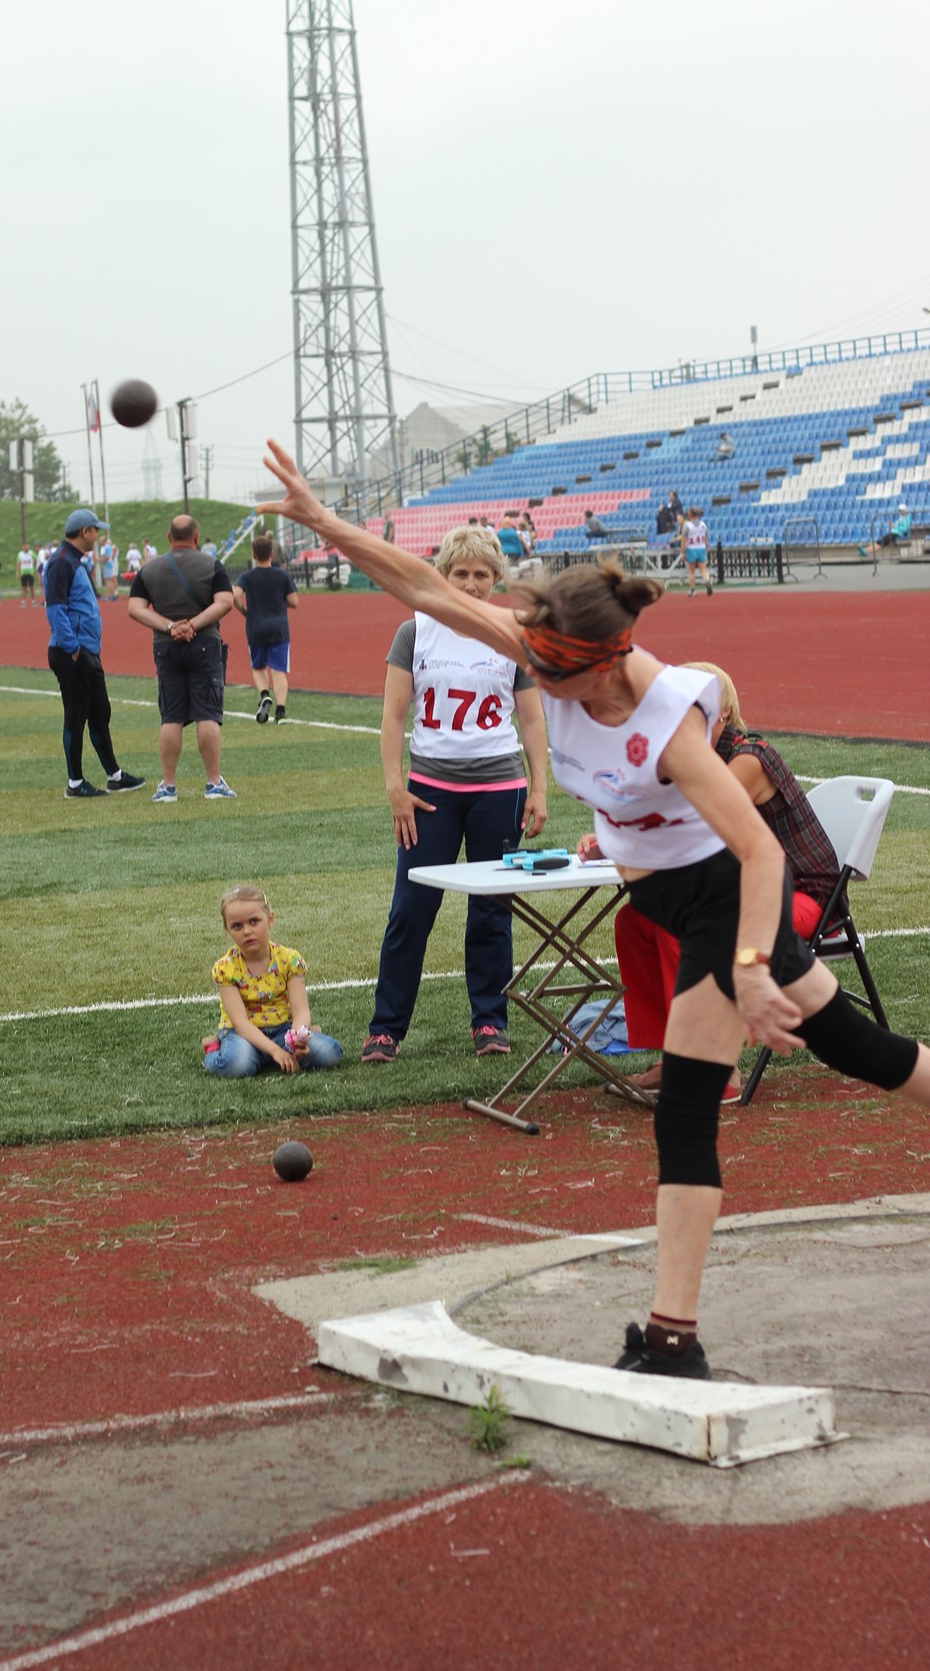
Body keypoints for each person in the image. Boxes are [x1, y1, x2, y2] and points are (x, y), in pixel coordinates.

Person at [259, 435, 930, 1379]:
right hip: (663, 897)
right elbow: (426, 589)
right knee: (857, 1047)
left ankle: (670, 1340)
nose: (536, 682)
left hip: (725, 899)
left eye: (554, 675)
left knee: (686, 1110)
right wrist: (326, 524)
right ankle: (674, 1333)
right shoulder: (547, 652)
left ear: (605, 666)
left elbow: (759, 847)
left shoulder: (671, 724)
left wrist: (746, 967)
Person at [592, 662, 842, 1103]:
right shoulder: (689, 760)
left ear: (720, 712)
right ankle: (675, 1054)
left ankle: (717, 1070)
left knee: (682, 926)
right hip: (740, 894)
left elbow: (691, 826)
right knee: (636, 920)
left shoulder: (748, 758)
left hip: (801, 898)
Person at [361, 523, 548, 1064]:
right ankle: (386, 1029)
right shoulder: (414, 632)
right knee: (411, 909)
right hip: (429, 793)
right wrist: (395, 787)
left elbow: (533, 722)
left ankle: (490, 1021)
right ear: (443, 574)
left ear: (496, 579)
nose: (470, 584)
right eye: (460, 573)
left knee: (491, 911)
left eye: (482, 575)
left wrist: (540, 787)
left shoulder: (514, 633)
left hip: (500, 789)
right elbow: (394, 716)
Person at [126, 513, 237, 802]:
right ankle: (213, 782)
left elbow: (135, 608)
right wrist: (194, 625)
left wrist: (170, 626)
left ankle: (168, 785)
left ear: (168, 537)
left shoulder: (149, 570)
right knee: (208, 714)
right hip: (205, 645)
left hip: (166, 646)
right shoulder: (213, 566)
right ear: (197, 537)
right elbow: (226, 602)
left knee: (171, 717)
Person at [44, 509, 146, 800]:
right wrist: (74, 650)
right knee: (75, 718)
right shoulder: (61, 562)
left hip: (86, 652)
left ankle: (114, 776)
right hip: (72, 653)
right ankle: (75, 783)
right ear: (85, 531)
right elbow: (56, 610)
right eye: (96, 531)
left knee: (100, 713)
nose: (98, 536)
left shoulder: (75, 561)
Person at [202, 884, 343, 1078]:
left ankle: (296, 1040)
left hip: (284, 1030)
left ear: (270, 919)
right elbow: (241, 1023)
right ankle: (213, 1049)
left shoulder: (289, 959)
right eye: (237, 926)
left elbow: (300, 1010)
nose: (247, 931)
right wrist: (275, 1050)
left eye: (254, 921)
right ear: (227, 929)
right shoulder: (226, 968)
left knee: (329, 1055)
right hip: (243, 1034)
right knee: (236, 1066)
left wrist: (297, 1039)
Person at [234, 533, 298, 724]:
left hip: (255, 625)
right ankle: (281, 712)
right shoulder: (282, 575)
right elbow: (294, 602)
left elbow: (234, 595)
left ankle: (264, 695)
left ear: (254, 555)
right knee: (278, 671)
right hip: (278, 626)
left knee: (258, 666)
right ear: (271, 554)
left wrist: (244, 611)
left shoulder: (246, 576)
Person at [680, 508, 712, 597]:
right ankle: (707, 581)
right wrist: (706, 547)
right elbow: (705, 537)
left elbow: (683, 541)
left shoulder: (687, 526)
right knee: (703, 569)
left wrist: (682, 552)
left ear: (690, 514)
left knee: (691, 571)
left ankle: (693, 590)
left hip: (691, 549)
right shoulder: (703, 524)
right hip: (701, 548)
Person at [99, 534, 119, 601]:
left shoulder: (106, 547)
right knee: (108, 580)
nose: (99, 541)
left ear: (103, 541)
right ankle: (113, 595)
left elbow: (107, 557)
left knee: (107, 580)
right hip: (107, 564)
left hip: (107, 564)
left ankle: (110, 595)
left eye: (101, 540)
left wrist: (99, 560)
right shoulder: (106, 547)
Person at [17, 541, 37, 606]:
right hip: (23, 573)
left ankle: (33, 601)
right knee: (24, 588)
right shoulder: (20, 554)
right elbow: (18, 564)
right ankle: (23, 601)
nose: (26, 547)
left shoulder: (31, 553)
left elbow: (37, 559)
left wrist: (34, 564)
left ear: (28, 547)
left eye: (27, 546)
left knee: (31, 587)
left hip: (30, 572)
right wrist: (17, 572)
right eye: (24, 546)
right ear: (22, 547)